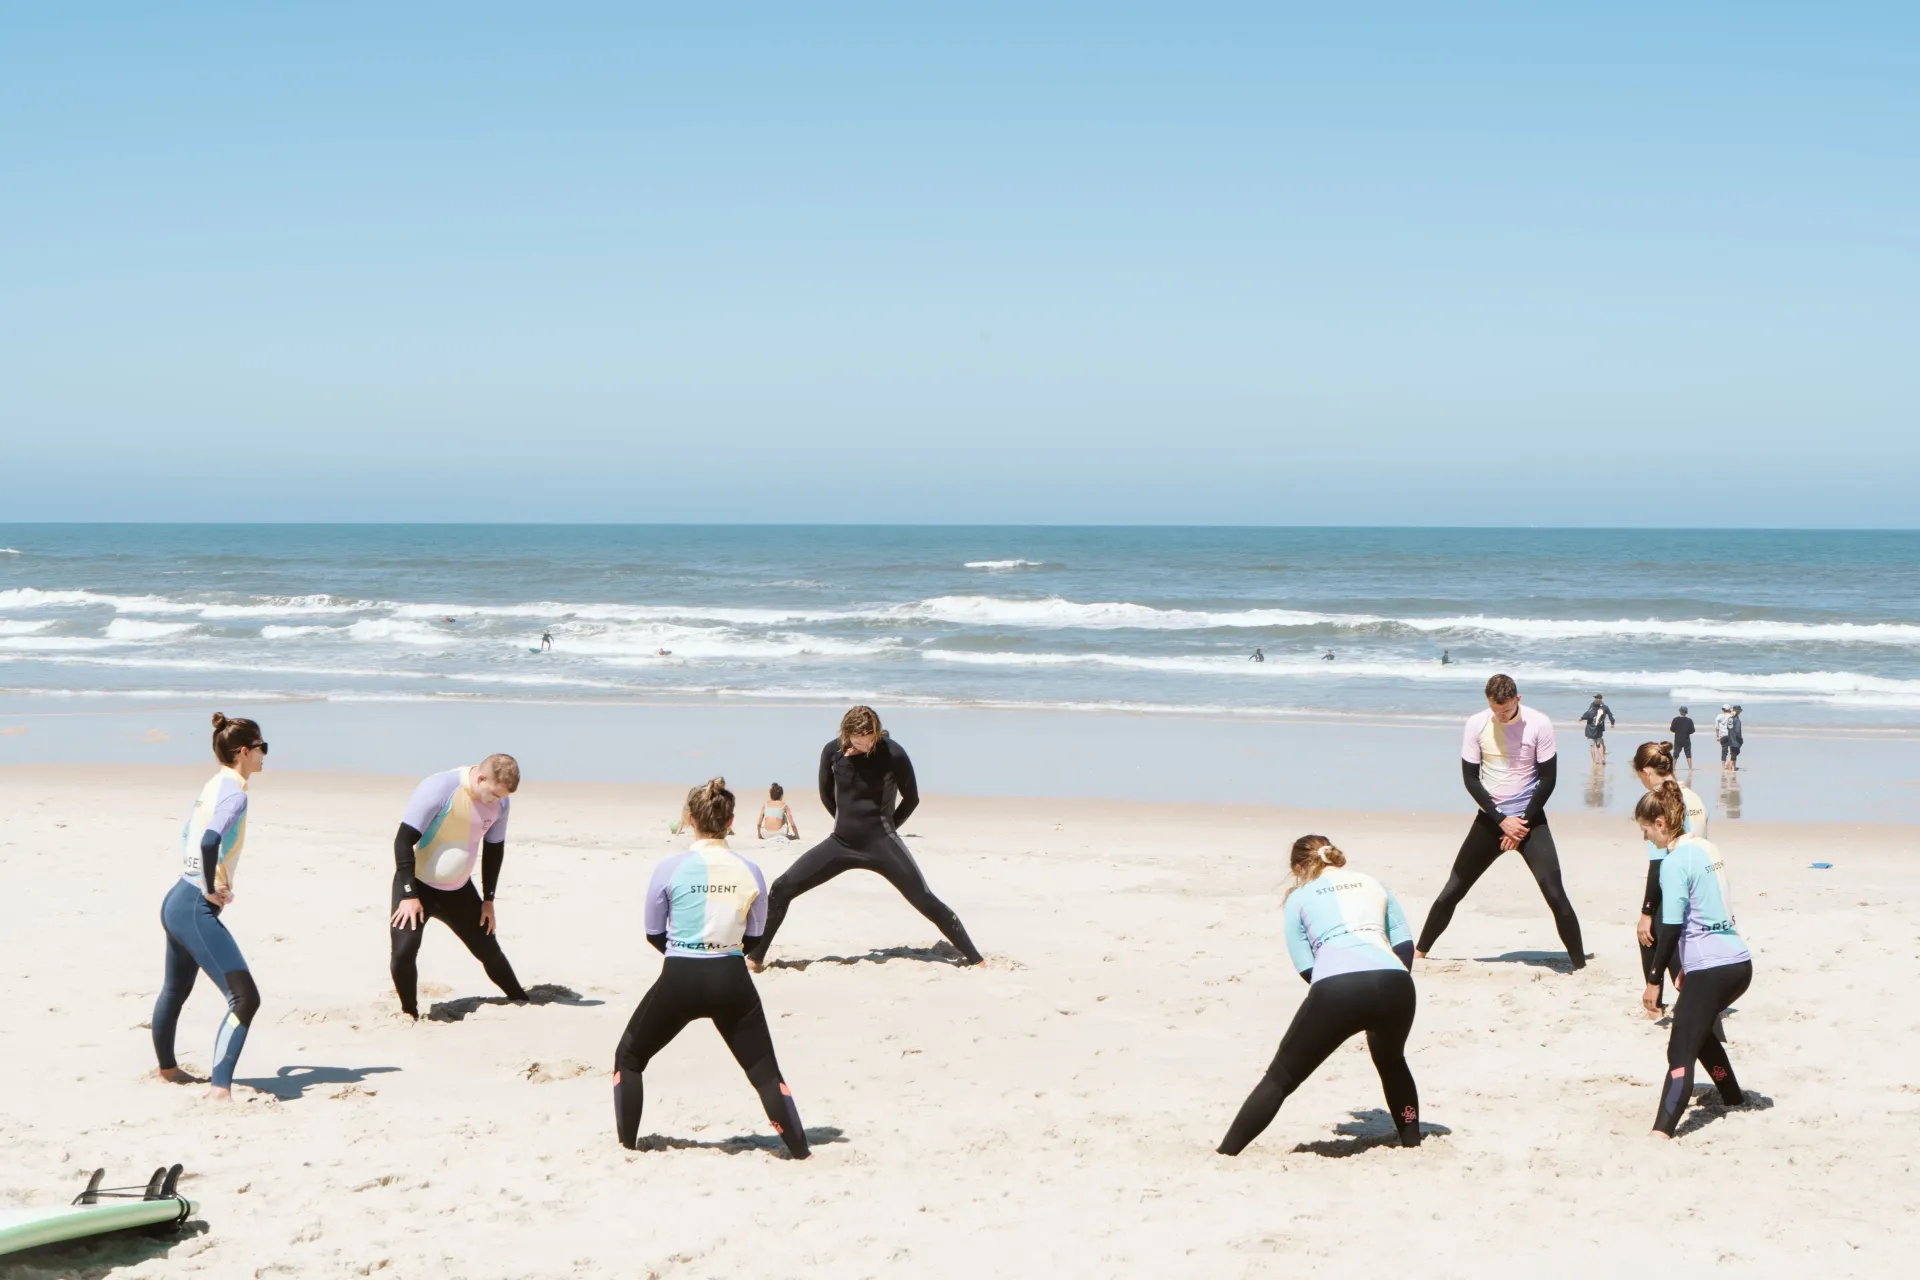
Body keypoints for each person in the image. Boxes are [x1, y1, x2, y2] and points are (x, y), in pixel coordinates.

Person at [613, 778, 809, 1157]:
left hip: (679, 979)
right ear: (731, 820)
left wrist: (686, 954)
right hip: (731, 981)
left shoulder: (669, 868)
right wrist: (723, 951)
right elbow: (755, 935)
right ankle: (800, 1151)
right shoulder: (749, 869)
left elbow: (654, 932)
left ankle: (627, 1147)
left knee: (630, 1058)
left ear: (689, 819)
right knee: (765, 1074)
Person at [1217, 836, 1421, 1154]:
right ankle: (1411, 1142)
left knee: (1280, 1077)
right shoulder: (1371, 882)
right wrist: (1384, 984)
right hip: (1397, 985)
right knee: (1392, 1062)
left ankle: (1227, 1152)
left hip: (1339, 990)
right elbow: (1405, 943)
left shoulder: (1300, 896)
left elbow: (1305, 965)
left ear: (1299, 866)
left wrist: (1339, 998)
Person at [746, 706, 983, 968]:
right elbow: (826, 794)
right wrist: (845, 823)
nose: (867, 745)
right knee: (782, 888)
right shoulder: (832, 752)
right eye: (860, 741)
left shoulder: (893, 752)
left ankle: (976, 959)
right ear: (847, 734)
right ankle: (755, 957)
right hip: (841, 843)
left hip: (881, 843)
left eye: (871, 739)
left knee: (924, 899)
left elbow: (911, 798)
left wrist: (889, 827)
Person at [1415, 674, 1585, 970]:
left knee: (1555, 893)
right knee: (1454, 888)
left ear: (1518, 699)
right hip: (1491, 819)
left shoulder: (1539, 723)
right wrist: (1501, 820)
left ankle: (1580, 965)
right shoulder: (1477, 723)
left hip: (1530, 819)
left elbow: (1548, 779)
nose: (1501, 716)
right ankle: (1418, 955)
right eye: (1495, 710)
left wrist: (1521, 823)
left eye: (1505, 710)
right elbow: (1470, 779)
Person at [152, 712, 269, 1101]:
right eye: (261, 748)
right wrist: (208, 888)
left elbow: (189, 832)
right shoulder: (235, 792)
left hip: (176, 899)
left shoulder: (214, 784)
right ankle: (220, 1089)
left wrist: (196, 880)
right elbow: (208, 840)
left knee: (174, 990)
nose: (264, 755)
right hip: (192, 906)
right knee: (245, 998)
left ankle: (167, 1071)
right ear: (243, 752)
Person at [1636, 781, 1751, 1138]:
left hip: (1711, 967)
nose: (1645, 839)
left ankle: (1662, 1131)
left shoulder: (1672, 864)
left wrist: (1654, 980)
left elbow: (1669, 930)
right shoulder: (1706, 847)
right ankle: (1732, 1095)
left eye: (1644, 830)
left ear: (1660, 823)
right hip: (1738, 962)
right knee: (1698, 1031)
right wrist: (1689, 967)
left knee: (1680, 1046)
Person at [389, 755, 530, 1019]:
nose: (497, 801)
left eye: (502, 797)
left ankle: (521, 999)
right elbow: (402, 842)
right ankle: (410, 1012)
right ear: (480, 778)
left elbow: (494, 849)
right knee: (403, 952)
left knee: (490, 951)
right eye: (493, 795)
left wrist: (488, 900)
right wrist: (409, 895)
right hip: (416, 887)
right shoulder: (439, 788)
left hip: (459, 891)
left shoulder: (501, 802)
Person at [1631, 741, 1709, 1015]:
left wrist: (1646, 912)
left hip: (1676, 883)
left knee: (1649, 937)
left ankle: (1656, 1006)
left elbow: (1657, 865)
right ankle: (1687, 1003)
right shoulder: (1692, 796)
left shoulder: (1661, 802)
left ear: (1645, 771)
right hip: (1699, 880)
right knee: (1673, 944)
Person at [1579, 693, 1616, 763]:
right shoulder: (1597, 705)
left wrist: (1612, 723)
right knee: (1598, 740)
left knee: (1595, 743)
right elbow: (1588, 711)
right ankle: (1603, 748)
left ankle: (1601, 750)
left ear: (1600, 699)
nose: (1595, 699)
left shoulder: (1601, 706)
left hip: (1598, 725)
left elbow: (1588, 713)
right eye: (1595, 698)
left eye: (1597, 698)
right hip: (1598, 725)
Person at [1713, 705, 1733, 770]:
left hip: (1722, 736)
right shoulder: (1731, 716)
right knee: (1733, 750)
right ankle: (1729, 763)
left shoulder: (1719, 716)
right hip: (1731, 735)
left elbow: (1717, 728)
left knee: (1724, 751)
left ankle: (1723, 767)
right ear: (1729, 709)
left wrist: (1717, 736)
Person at [1726, 706, 1745, 771]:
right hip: (1735, 740)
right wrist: (1740, 739)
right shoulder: (1737, 720)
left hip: (1730, 738)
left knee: (1733, 753)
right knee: (1734, 755)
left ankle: (1733, 767)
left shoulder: (1730, 718)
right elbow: (1738, 731)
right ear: (1738, 712)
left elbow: (1727, 727)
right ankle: (1729, 768)